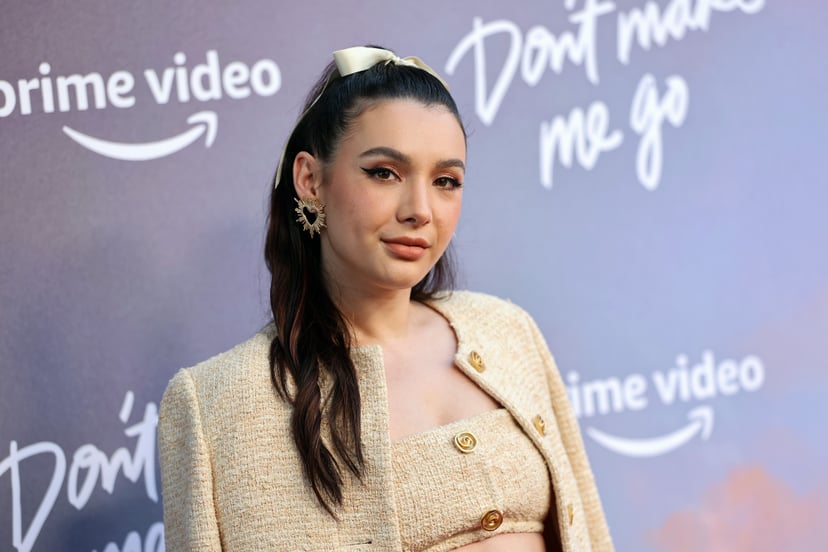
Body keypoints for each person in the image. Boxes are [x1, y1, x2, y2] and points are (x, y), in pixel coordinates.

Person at [158, 46, 614, 552]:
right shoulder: (215, 406)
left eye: (446, 181)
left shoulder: (507, 330)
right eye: (384, 173)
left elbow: (588, 531)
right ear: (310, 180)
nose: (420, 210)